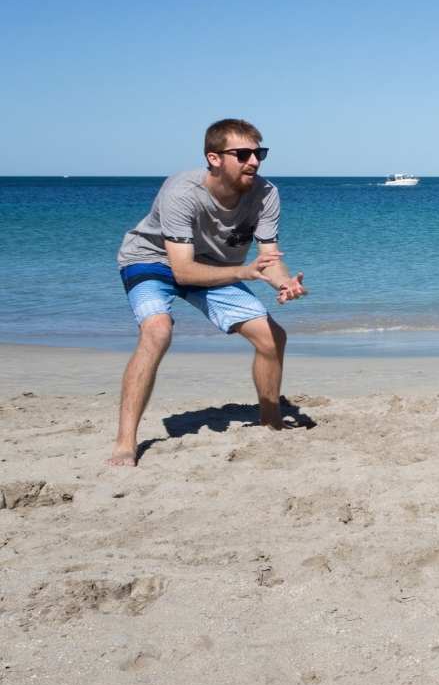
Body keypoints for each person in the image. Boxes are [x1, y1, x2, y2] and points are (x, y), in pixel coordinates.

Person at [107, 120, 307, 466]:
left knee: (272, 336)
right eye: (242, 154)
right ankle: (125, 443)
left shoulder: (266, 193)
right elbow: (183, 271)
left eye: (259, 153)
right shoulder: (182, 192)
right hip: (151, 259)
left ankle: (271, 422)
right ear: (214, 158)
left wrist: (284, 283)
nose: (254, 162)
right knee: (157, 330)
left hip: (213, 264)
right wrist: (244, 272)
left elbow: (270, 258)